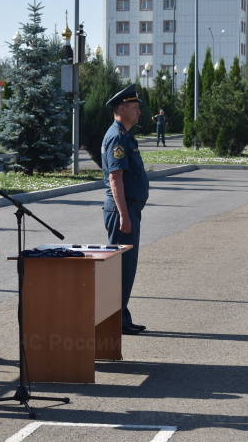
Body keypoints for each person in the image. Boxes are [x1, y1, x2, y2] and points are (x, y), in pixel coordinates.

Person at [102, 84, 150, 335]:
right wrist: (123, 214)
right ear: (121, 109)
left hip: (129, 208)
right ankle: (115, 319)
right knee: (121, 267)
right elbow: (115, 178)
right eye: (134, 107)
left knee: (127, 266)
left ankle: (122, 315)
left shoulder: (124, 135)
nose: (139, 111)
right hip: (122, 209)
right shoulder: (118, 137)